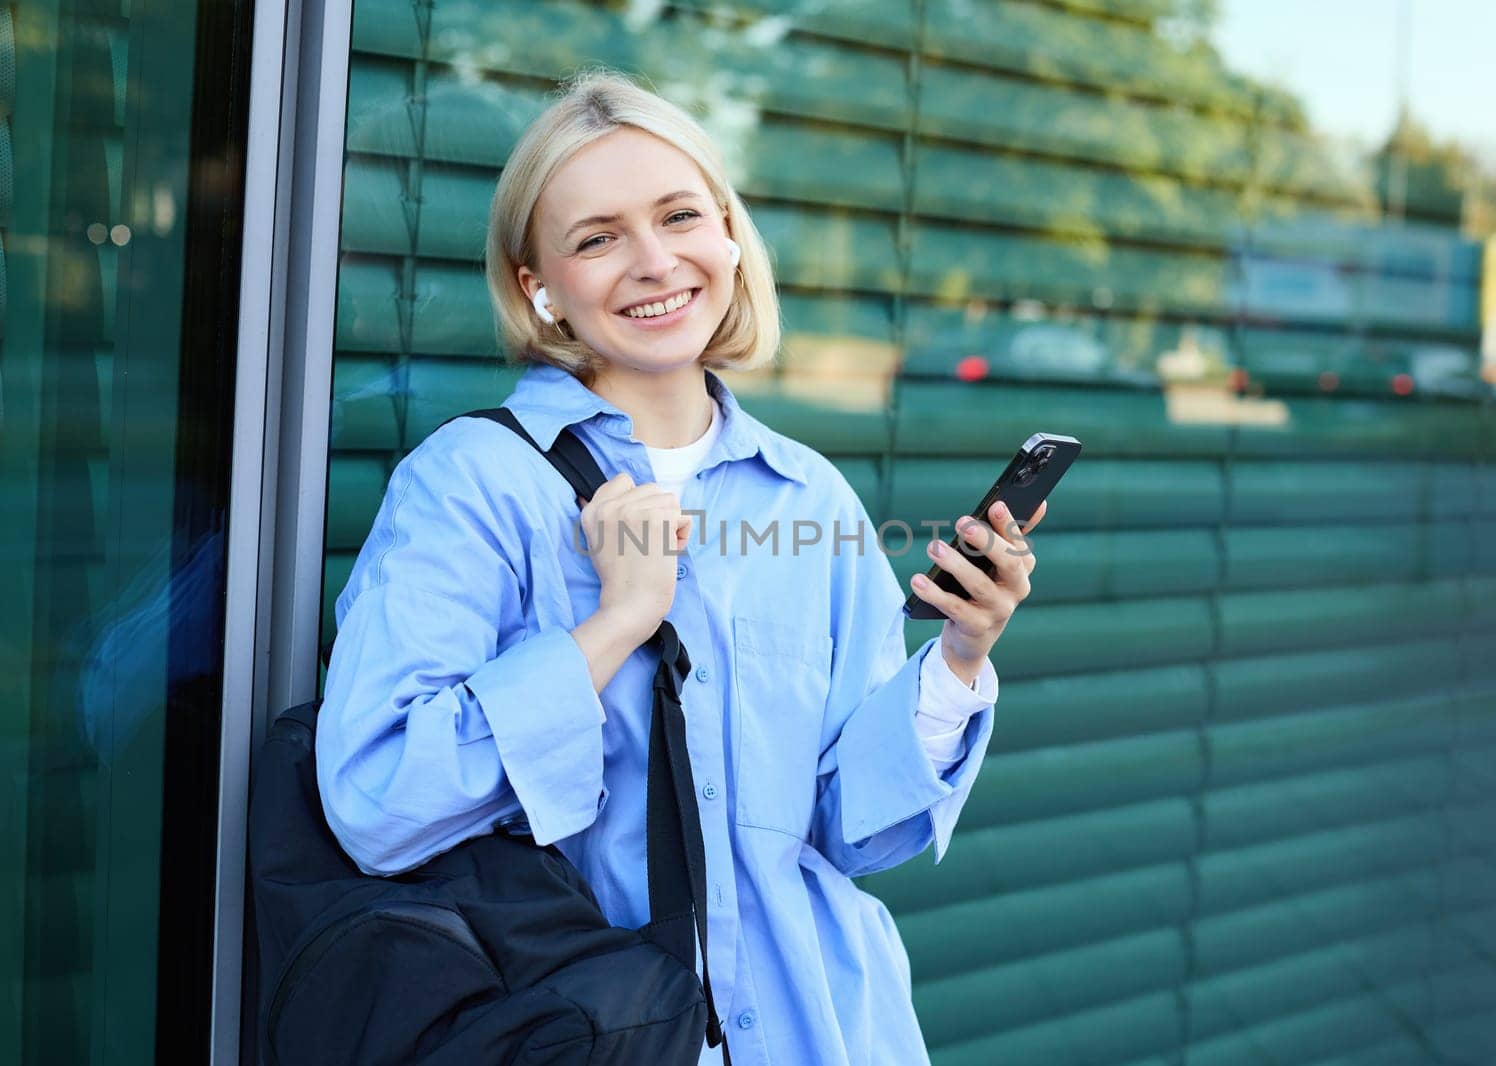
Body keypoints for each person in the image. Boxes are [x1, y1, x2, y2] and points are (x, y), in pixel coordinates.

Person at [316, 69, 1045, 1065]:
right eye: (596, 237)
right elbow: (380, 800)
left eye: (679, 216)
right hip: (588, 1034)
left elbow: (852, 833)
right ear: (538, 285)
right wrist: (615, 622)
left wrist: (959, 657)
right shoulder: (470, 485)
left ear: (730, 238)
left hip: (822, 1032)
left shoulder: (808, 496)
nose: (653, 263)